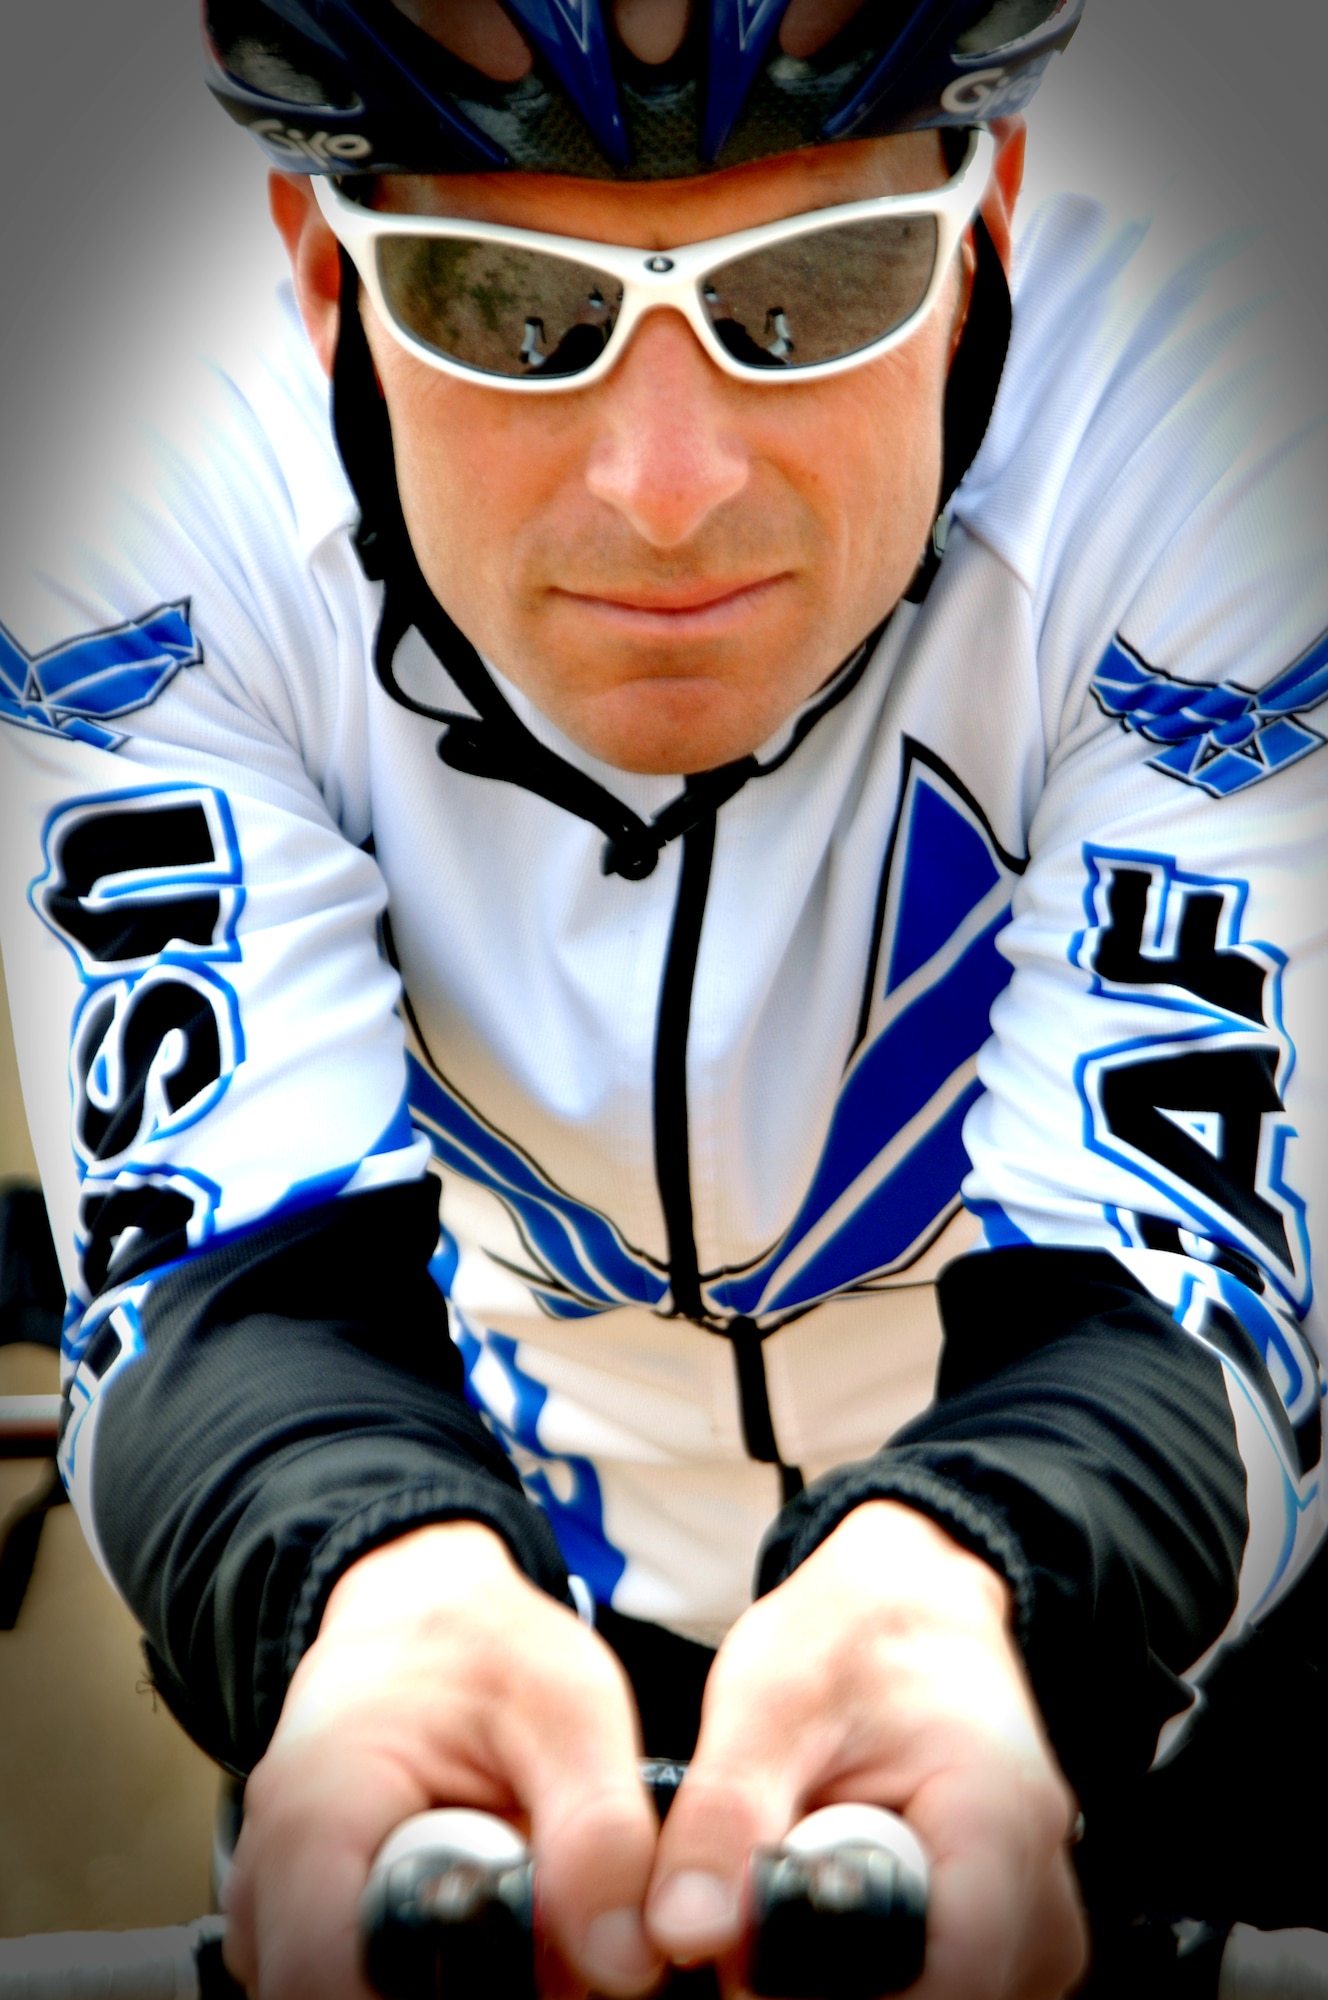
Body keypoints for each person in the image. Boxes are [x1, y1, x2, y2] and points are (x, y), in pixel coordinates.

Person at [0, 3, 1324, 1996]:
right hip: (474, 1597)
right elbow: (229, 1277)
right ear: (316, 268)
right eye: (506, 306)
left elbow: (1168, 1277)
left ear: (988, 225)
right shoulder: (117, 460)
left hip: (1121, 1578)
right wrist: (368, 1594)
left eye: (813, 285)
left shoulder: (1244, 406)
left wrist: (965, 1589)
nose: (666, 484)